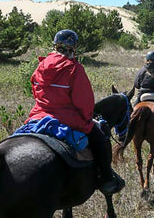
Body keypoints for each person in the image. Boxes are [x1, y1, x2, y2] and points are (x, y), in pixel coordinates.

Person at [25, 29, 124, 195]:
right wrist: (86, 119)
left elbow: (35, 91)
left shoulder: (40, 65)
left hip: (38, 116)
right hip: (67, 119)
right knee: (100, 138)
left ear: (56, 45)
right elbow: (85, 102)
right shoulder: (74, 68)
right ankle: (107, 179)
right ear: (72, 48)